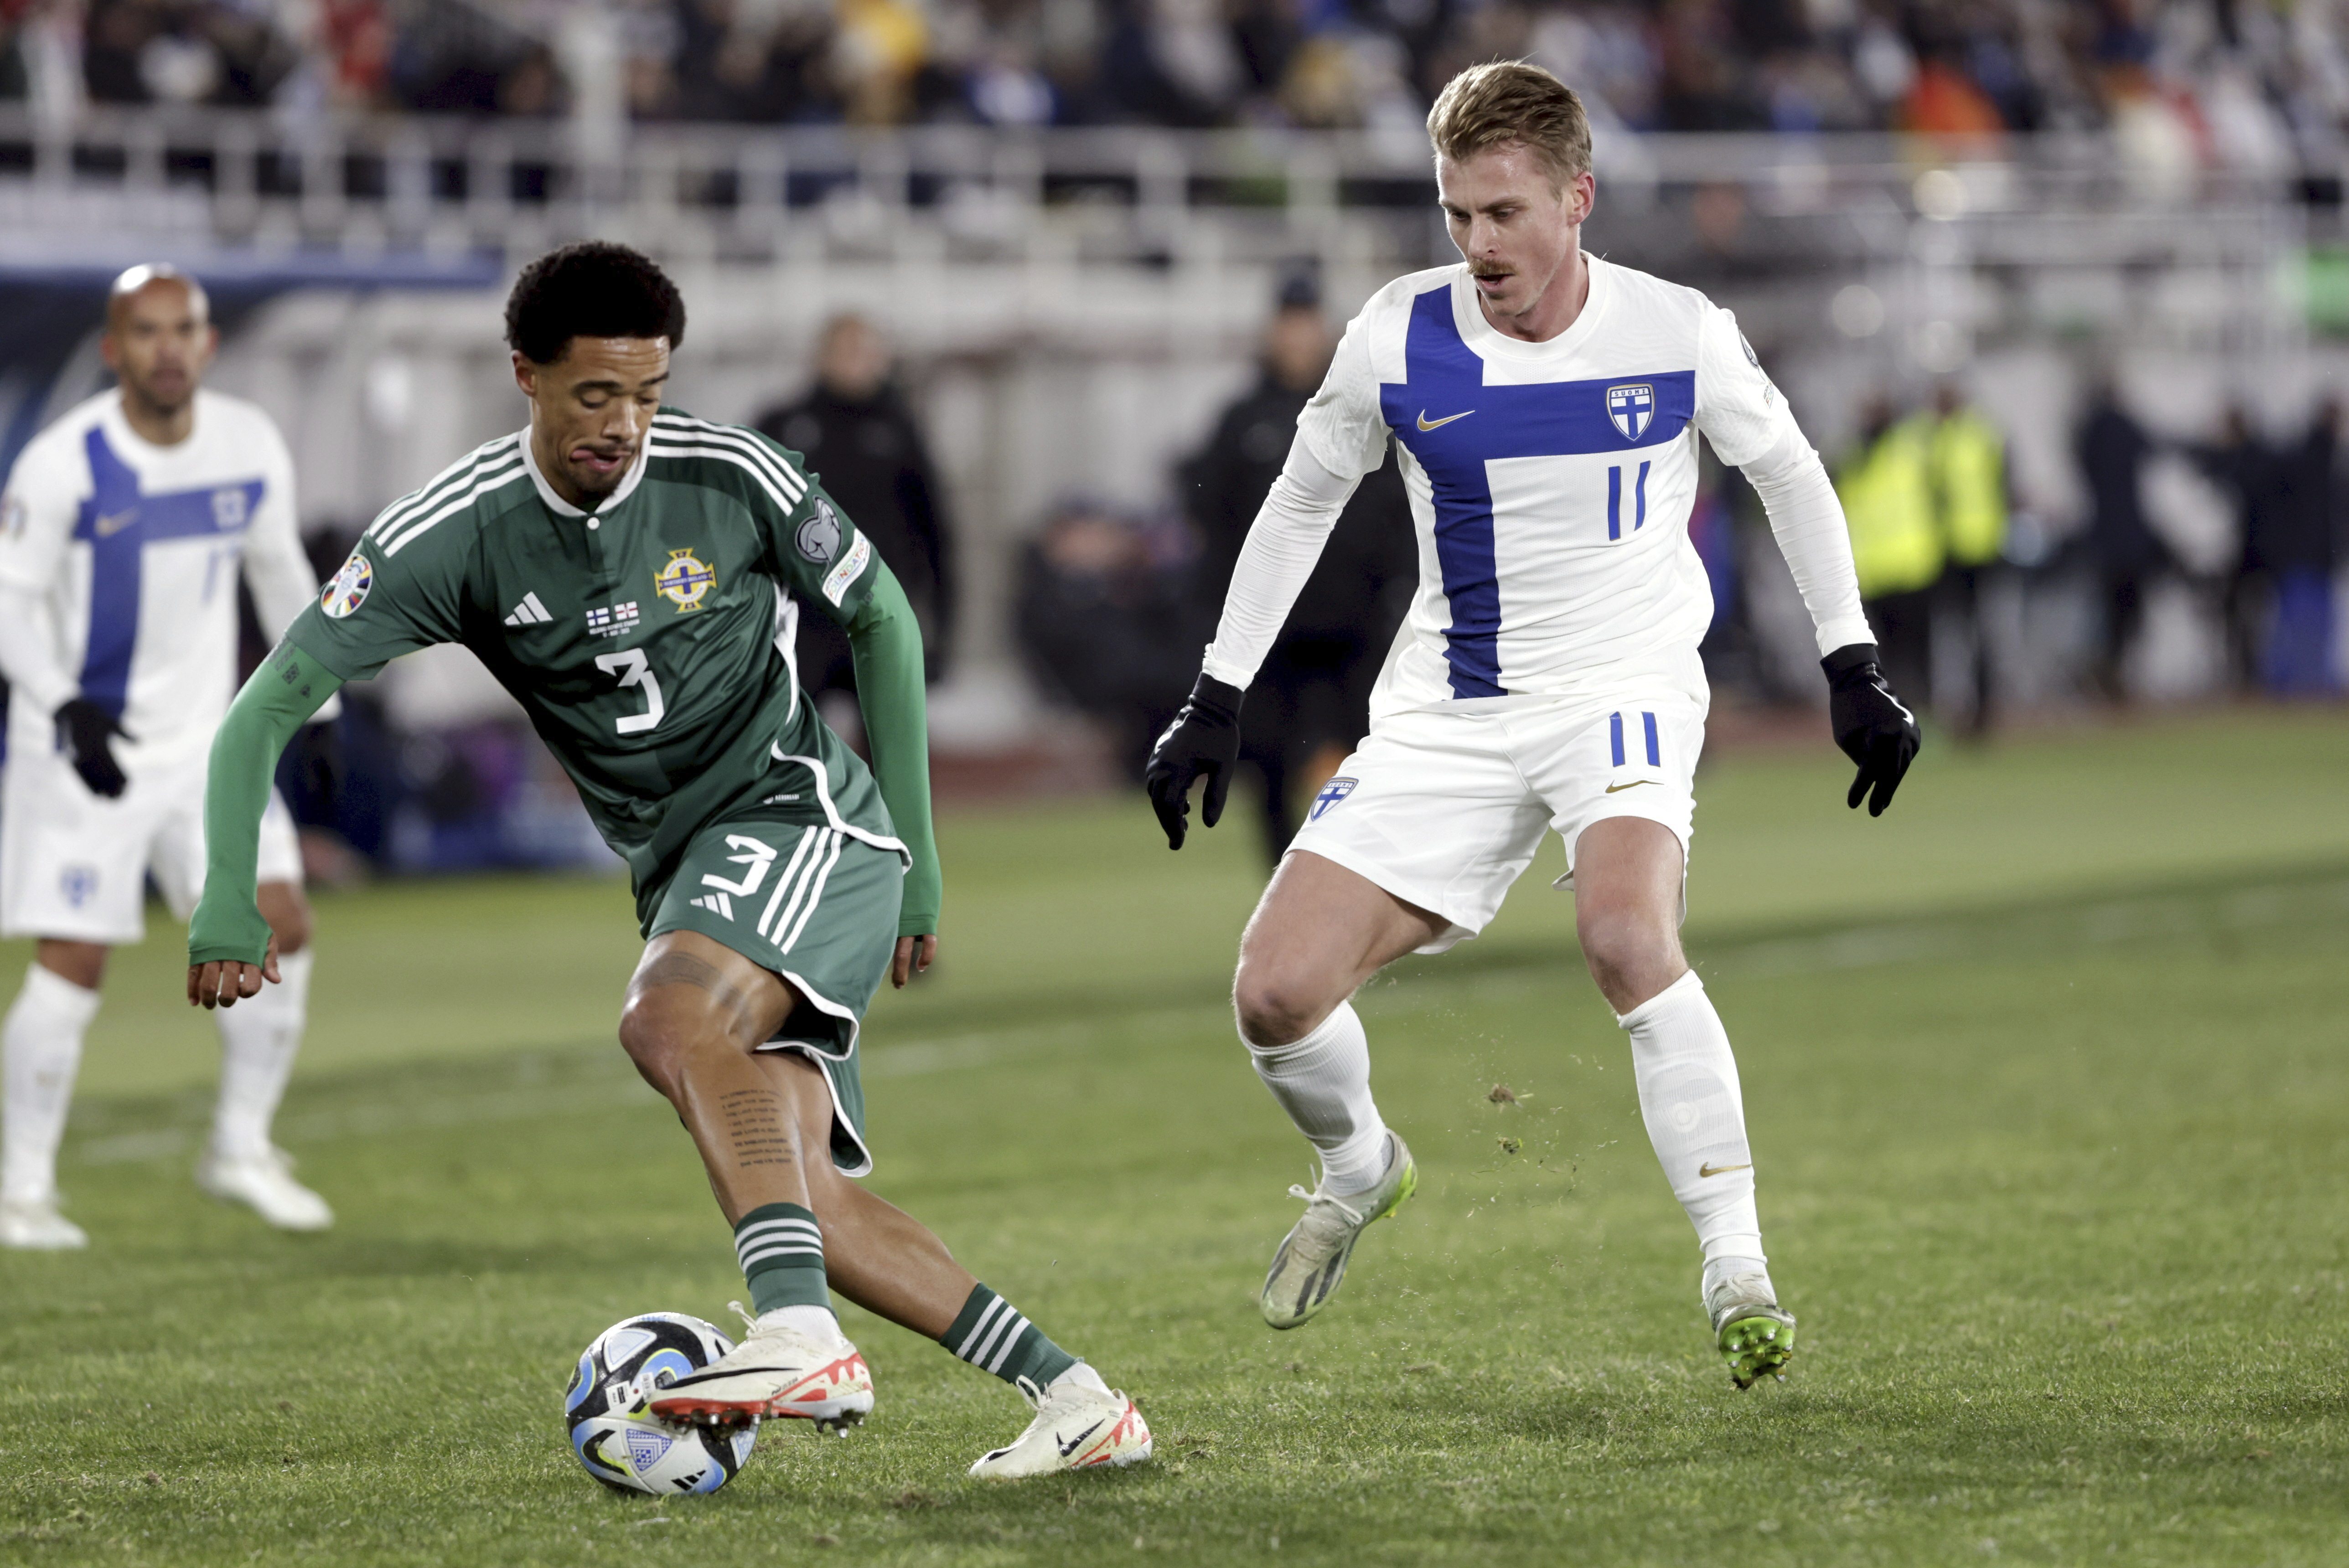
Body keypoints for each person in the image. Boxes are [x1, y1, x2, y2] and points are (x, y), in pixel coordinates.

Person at [182, 244, 1149, 1479]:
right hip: (682, 863)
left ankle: (795, 1335)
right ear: (524, 375)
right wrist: (227, 897)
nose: (628, 425)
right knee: (810, 1199)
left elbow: (884, 616)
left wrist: (918, 855)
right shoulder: (460, 532)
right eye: (596, 395)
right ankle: (1079, 1402)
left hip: (799, 815)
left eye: (648, 393)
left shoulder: (728, 473)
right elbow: (266, 705)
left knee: (668, 1019)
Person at [1144, 63, 1919, 1390]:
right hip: (1449, 704)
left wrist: (1849, 661)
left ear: (1578, 199)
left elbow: (1787, 472)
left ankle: (1735, 1263)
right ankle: (1358, 1164)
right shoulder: (1398, 336)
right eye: (1456, 216)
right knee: (1272, 994)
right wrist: (1215, 694)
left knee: (1624, 936)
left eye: (1503, 214)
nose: (1478, 246)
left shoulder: (1674, 330)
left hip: (1620, 686)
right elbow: (1296, 502)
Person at [0, 265, 331, 1249]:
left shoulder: (245, 445)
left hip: (204, 749)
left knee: (284, 923)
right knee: (73, 964)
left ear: (208, 342)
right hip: (81, 750)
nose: (168, 347)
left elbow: (281, 573)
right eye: (145, 332)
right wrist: (63, 707)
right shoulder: (62, 465)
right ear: (114, 350)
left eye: (183, 328)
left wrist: (322, 711)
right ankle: (21, 1190)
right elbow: (10, 603)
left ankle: (239, 1146)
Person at [1180, 275, 1415, 862]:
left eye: (1307, 321)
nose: (1297, 335)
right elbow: (1213, 520)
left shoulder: (1359, 409)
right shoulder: (1241, 420)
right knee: (1270, 761)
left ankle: (1362, 879)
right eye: (1288, 321)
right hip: (1274, 629)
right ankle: (1286, 883)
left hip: (1354, 623)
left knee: (1366, 755)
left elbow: (1397, 511)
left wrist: (1397, 592)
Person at [754, 315, 957, 712]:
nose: (854, 362)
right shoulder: (783, 424)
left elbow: (934, 529)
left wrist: (942, 629)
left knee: (888, 749)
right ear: (820, 356)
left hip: (878, 610)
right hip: (800, 615)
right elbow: (750, 523)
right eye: (843, 351)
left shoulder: (901, 430)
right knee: (792, 743)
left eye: (864, 352)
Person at [1836, 393, 1941, 712]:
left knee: (1918, 655)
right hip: (1877, 572)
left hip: (1912, 568)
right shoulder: (1853, 457)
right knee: (1887, 659)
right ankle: (1897, 718)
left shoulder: (1910, 448)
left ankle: (1923, 717)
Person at [2073, 377, 2171, 701]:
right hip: (2130, 539)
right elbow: (2154, 449)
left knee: (2108, 615)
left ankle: (2110, 673)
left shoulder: (2088, 431)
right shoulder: (2126, 427)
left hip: (2104, 538)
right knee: (2130, 616)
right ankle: (2116, 675)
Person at [1924, 382, 2010, 733]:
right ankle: (1949, 708)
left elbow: (2004, 484)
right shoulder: (1926, 438)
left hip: (1979, 549)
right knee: (1949, 636)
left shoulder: (1981, 434)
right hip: (1942, 552)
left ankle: (1982, 710)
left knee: (1979, 635)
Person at [2185, 403, 2277, 694]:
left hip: (2241, 557)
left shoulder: (2234, 464)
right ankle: (2245, 676)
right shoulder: (2253, 460)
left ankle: (2244, 676)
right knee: (2244, 620)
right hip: (2251, 556)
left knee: (2239, 621)